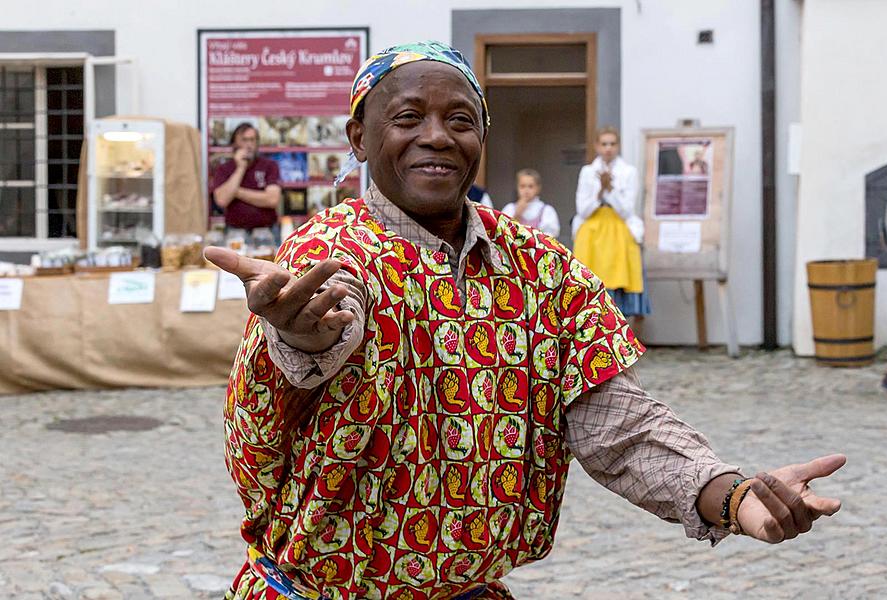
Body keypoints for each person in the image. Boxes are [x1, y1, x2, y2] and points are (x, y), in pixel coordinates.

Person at [205, 41, 845, 600]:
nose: (436, 135)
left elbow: (619, 430)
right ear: (359, 137)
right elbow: (328, 320)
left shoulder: (540, 269)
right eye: (407, 118)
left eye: (461, 120)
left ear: (480, 140)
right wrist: (301, 333)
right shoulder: (327, 251)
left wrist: (731, 496)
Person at [572, 127, 650, 318]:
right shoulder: (588, 172)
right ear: (597, 146)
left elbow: (627, 209)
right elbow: (582, 208)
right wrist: (600, 192)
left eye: (612, 144)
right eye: (604, 144)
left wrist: (611, 190)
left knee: (618, 274)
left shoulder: (628, 172)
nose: (608, 149)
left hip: (618, 228)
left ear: (618, 146)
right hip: (592, 228)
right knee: (589, 278)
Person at [212, 122, 282, 241]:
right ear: (234, 143)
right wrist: (240, 168)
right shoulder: (224, 168)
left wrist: (236, 192)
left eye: (252, 140)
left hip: (266, 231)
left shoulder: (269, 165)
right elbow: (222, 200)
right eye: (244, 140)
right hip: (235, 232)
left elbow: (272, 199)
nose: (249, 145)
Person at [500, 168, 560, 238]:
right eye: (522, 186)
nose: (526, 190)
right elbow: (502, 232)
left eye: (530, 186)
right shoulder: (509, 208)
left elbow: (550, 236)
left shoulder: (546, 210)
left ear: (538, 188)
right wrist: (517, 215)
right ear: (517, 187)